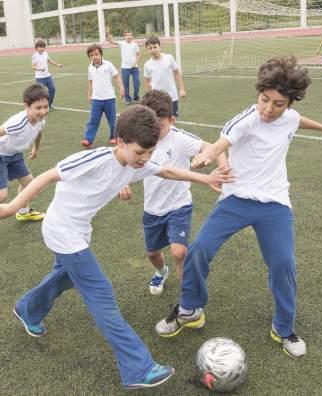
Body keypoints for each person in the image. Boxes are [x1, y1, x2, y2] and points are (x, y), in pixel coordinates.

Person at [0, 105, 232, 390]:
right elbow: (48, 176)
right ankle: (138, 367)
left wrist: (206, 178)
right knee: (101, 293)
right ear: (120, 141)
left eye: (149, 152)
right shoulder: (94, 159)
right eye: (139, 153)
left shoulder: (138, 163)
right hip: (62, 232)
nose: (145, 160)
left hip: (79, 231)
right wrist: (12, 206)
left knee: (65, 276)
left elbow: (168, 171)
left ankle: (27, 309)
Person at [155, 56, 322, 359]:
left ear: (290, 103)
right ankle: (190, 309)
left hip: (274, 203)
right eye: (264, 100)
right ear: (258, 93)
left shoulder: (290, 117)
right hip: (236, 199)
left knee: (284, 264)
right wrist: (207, 158)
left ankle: (283, 329)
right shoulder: (247, 119)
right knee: (199, 250)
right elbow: (222, 142)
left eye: (278, 104)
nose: (269, 109)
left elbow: (298, 121)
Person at [120, 90, 227, 296]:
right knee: (152, 253)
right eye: (149, 126)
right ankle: (161, 271)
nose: (154, 131)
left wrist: (221, 168)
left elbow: (215, 148)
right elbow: (124, 163)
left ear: (172, 120)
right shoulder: (140, 141)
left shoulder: (180, 139)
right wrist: (123, 183)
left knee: (179, 252)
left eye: (159, 126)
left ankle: (187, 299)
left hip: (179, 205)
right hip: (152, 209)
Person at [0, 83, 48, 222]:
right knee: (2, 196)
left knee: (29, 183)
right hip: (1, 155)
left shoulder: (40, 120)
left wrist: (35, 148)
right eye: (38, 108)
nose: (43, 111)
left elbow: (38, 133)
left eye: (45, 107)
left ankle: (23, 212)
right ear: (27, 106)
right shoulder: (18, 123)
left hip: (15, 155)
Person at [81, 44, 125, 148]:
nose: (94, 57)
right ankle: (88, 139)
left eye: (96, 54)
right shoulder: (90, 67)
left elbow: (116, 76)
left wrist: (121, 88)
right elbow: (90, 82)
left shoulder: (108, 64)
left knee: (112, 120)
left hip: (109, 98)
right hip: (96, 99)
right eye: (92, 55)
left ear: (101, 54)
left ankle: (113, 136)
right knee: (93, 120)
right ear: (89, 57)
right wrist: (89, 95)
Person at [144, 36, 186, 117]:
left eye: (155, 47)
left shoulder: (169, 58)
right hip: (157, 98)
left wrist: (181, 89)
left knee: (172, 119)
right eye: (150, 48)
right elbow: (147, 81)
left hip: (171, 96)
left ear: (160, 47)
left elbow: (176, 72)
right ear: (147, 50)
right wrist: (149, 96)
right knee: (159, 120)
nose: (153, 50)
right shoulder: (147, 65)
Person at [32, 39, 63, 109]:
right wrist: (40, 69)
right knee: (41, 93)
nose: (41, 48)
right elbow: (33, 67)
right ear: (36, 48)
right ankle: (39, 106)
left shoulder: (46, 53)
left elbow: (49, 60)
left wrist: (57, 65)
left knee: (52, 89)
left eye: (43, 47)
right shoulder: (34, 55)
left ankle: (49, 104)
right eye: (39, 47)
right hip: (39, 78)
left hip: (47, 76)